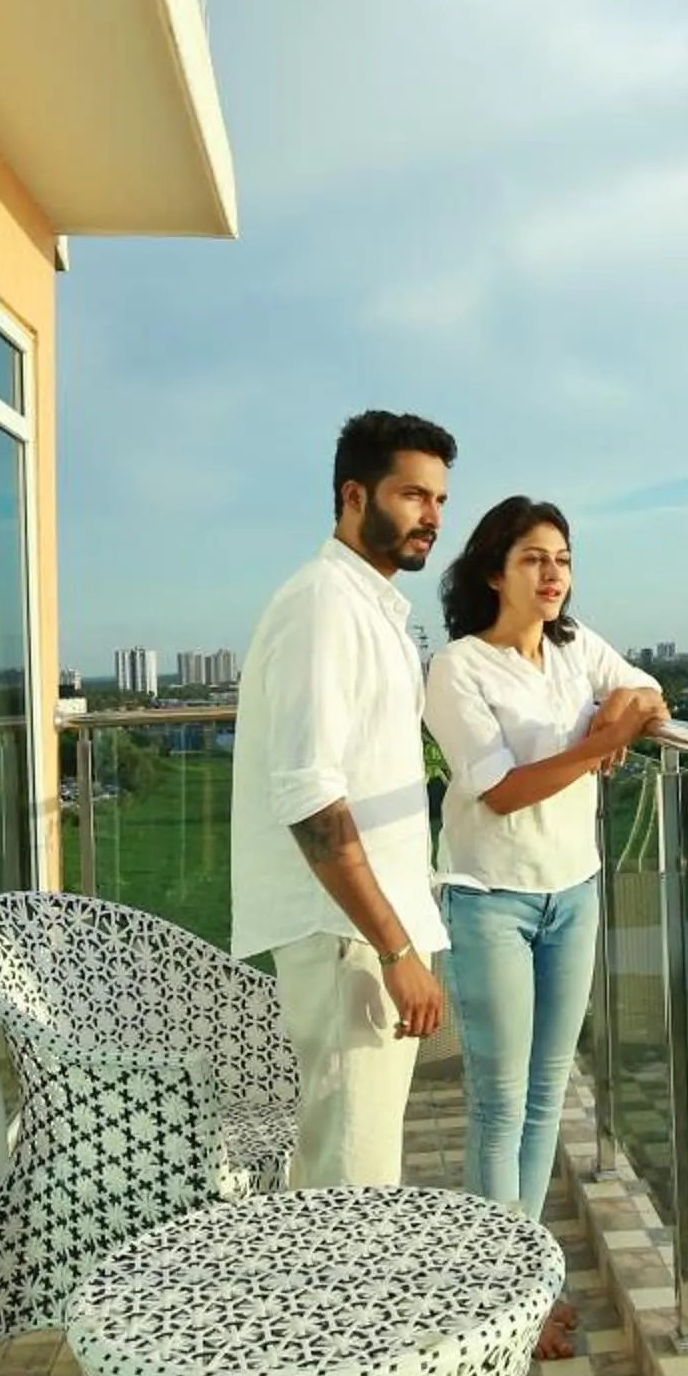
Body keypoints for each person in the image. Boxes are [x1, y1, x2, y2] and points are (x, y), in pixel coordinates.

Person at [423, 496, 665, 1358]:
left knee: (548, 1095)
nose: (553, 573)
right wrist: (602, 744)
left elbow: (647, 692)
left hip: (577, 892)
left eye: (561, 557)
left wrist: (617, 713)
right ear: (494, 571)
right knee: (501, 1103)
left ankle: (527, 1287)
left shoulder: (574, 647)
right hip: (492, 896)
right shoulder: (458, 668)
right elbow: (501, 790)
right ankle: (498, 1308)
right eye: (534, 558)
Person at [231, 411, 456, 1190]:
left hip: (363, 932)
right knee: (353, 1186)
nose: (430, 516)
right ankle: (337, 1314)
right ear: (354, 496)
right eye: (411, 495)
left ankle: (326, 1310)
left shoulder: (371, 606)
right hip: (347, 940)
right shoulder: (325, 605)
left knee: (343, 1169)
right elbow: (308, 794)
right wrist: (394, 950)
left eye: (438, 500)